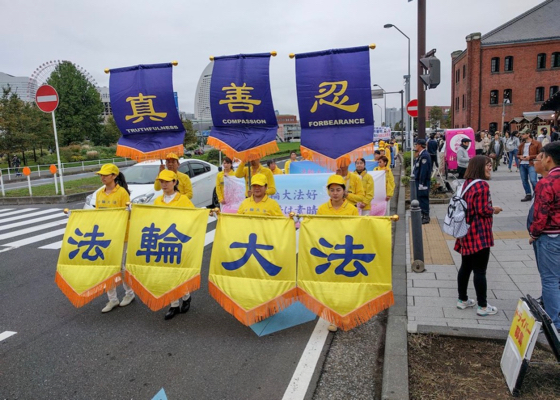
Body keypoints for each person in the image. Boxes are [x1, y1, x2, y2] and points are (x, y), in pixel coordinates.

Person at [455, 155, 503, 316]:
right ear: (479, 167)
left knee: (466, 266)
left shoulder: (466, 184)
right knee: (480, 271)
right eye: (488, 165)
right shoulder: (482, 186)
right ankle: (482, 306)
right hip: (479, 233)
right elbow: (483, 210)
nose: (490, 167)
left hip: (465, 231)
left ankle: (462, 300)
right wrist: (494, 209)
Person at [153, 169, 196, 320]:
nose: (164, 185)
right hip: (164, 242)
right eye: (161, 182)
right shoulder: (158, 201)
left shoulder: (183, 200)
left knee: (179, 272)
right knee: (167, 273)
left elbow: (193, 218)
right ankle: (173, 304)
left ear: (175, 182)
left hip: (179, 242)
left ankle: (185, 296)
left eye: (167, 182)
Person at [95, 163, 135, 313]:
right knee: (108, 267)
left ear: (114, 176)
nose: (102, 177)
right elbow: (98, 214)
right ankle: (112, 299)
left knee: (119, 266)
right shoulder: (99, 193)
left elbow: (127, 214)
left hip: (121, 235)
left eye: (106, 175)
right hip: (105, 235)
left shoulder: (122, 193)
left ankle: (129, 293)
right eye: (101, 175)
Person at [529, 142, 560, 330]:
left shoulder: (546, 182)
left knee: (550, 280)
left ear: (548, 158)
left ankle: (554, 324)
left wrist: (533, 233)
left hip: (550, 237)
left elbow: (541, 214)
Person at [518, 129, 542, 201]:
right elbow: (518, 154)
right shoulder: (521, 144)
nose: (521, 135)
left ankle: (537, 194)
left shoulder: (537, 143)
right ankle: (528, 194)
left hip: (531, 163)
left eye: (523, 134)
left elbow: (540, 154)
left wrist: (530, 157)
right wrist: (520, 157)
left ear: (528, 134)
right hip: (522, 164)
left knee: (533, 180)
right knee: (524, 180)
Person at [413, 139, 432, 224]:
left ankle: (426, 216)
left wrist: (422, 183)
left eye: (416, 144)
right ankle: (423, 214)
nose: (415, 146)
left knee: (423, 198)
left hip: (423, 182)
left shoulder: (424, 156)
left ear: (420, 145)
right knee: (420, 198)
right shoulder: (421, 155)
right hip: (419, 181)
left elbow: (424, 171)